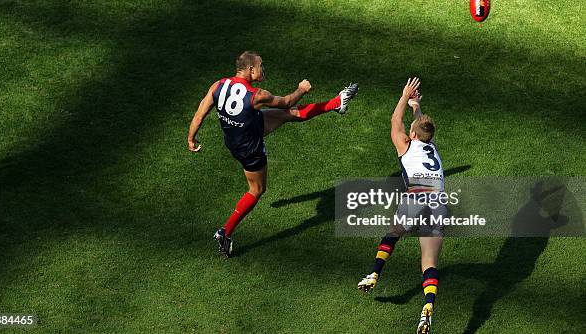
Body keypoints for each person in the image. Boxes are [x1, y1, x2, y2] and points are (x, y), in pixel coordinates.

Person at [187, 51, 358, 257]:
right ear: (251, 70)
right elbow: (286, 100)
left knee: (290, 114)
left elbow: (199, 113)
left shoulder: (218, 85)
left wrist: (191, 138)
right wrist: (301, 89)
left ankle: (337, 102)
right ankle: (225, 231)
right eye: (260, 66)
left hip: (236, 136)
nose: (263, 69)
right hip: (250, 146)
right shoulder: (257, 96)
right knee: (256, 190)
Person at [357, 77, 444, 334]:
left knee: (393, 233)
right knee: (428, 262)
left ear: (413, 135)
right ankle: (427, 307)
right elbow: (422, 128)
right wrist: (416, 107)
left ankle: (374, 273)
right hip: (438, 205)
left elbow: (395, 122)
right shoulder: (433, 147)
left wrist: (405, 96)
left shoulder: (405, 146)